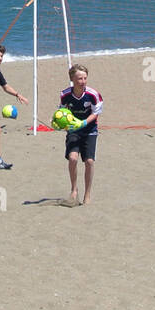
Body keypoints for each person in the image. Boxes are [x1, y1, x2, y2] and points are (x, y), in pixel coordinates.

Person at [58, 63, 102, 205]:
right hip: (73, 131)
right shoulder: (65, 95)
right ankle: (74, 190)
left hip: (90, 130)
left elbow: (96, 113)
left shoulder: (93, 95)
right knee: (73, 159)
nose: (82, 82)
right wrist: (59, 123)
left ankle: (87, 194)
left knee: (89, 161)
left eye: (85, 78)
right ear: (72, 79)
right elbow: (61, 113)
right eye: (79, 79)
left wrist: (83, 123)